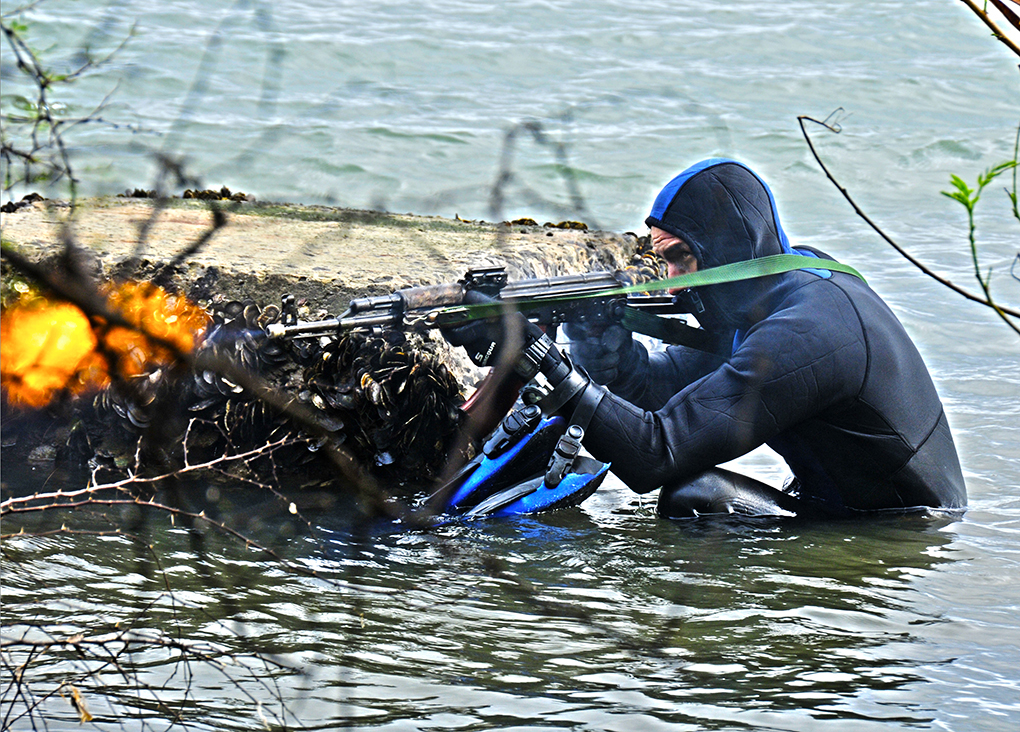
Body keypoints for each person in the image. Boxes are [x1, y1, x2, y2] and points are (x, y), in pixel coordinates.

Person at [443, 158, 967, 519]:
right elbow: (655, 391)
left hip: (902, 531)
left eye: (678, 258)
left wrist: (541, 357)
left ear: (724, 250)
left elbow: (655, 455)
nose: (669, 278)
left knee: (696, 497)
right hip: (834, 504)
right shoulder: (768, 294)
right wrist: (594, 328)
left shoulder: (807, 332)